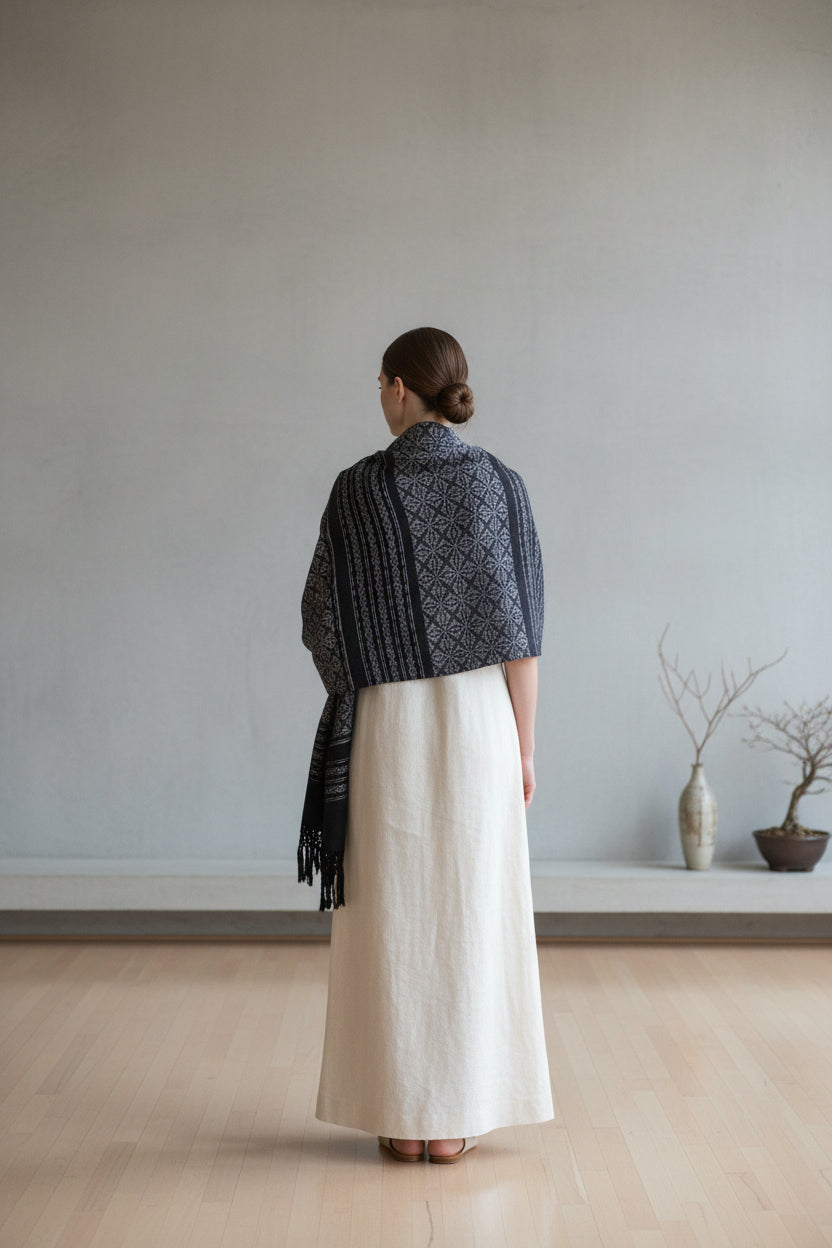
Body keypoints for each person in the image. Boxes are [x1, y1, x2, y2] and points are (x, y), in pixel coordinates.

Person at [298, 327, 555, 1163]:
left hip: (387, 729)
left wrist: (369, 673)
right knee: (471, 911)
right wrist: (523, 747)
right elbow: (524, 635)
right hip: (480, 721)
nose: (379, 396)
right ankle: (456, 1120)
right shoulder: (499, 485)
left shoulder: (357, 490)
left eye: (381, 383)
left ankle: (402, 1116)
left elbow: (320, 619)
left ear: (403, 388)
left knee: (394, 915)